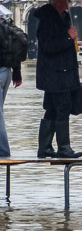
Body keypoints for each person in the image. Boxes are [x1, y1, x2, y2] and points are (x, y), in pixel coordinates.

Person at [34, 0, 82, 158]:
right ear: (57, 0)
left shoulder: (64, 16)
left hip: (64, 72)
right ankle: (64, 147)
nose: (69, 0)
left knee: (52, 109)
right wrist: (68, 37)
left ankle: (45, 147)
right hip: (54, 74)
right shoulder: (47, 19)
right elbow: (48, 47)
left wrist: (71, 38)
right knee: (63, 108)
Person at [0, 17, 23, 157]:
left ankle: (3, 150)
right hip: (7, 72)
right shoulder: (7, 27)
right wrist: (17, 74)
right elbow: (15, 51)